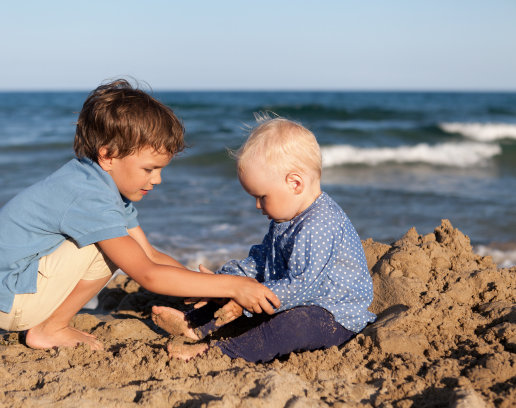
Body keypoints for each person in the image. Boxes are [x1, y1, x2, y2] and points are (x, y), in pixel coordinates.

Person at [0, 80, 280, 351]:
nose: (157, 180)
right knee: (108, 251)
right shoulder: (90, 196)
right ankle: (50, 329)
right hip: (9, 298)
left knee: (123, 245)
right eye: (149, 169)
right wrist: (233, 286)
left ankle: (48, 322)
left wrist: (203, 288)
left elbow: (150, 254)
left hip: (4, 288)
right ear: (109, 156)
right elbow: (146, 273)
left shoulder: (98, 183)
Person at [152, 117, 376, 363]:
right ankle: (192, 324)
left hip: (333, 314)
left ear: (295, 183)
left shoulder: (319, 224)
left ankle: (220, 354)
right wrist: (224, 279)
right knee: (238, 288)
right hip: (290, 298)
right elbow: (261, 260)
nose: (257, 206)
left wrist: (245, 302)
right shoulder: (286, 218)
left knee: (290, 325)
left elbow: (303, 286)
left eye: (262, 196)